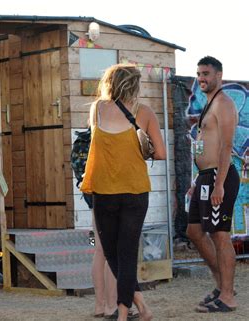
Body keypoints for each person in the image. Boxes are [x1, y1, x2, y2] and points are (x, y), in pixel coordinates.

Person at [80, 64, 166, 321]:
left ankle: (125, 311)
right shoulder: (145, 112)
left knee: (111, 253)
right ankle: (133, 308)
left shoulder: (96, 110)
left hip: (103, 192)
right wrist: (143, 147)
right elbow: (160, 153)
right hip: (136, 191)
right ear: (134, 85)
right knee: (127, 253)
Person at [186, 56, 239, 313]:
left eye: (206, 73)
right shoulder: (208, 106)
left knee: (220, 235)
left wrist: (219, 185)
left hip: (221, 176)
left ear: (219, 75)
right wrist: (198, 180)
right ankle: (222, 285)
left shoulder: (224, 104)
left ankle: (228, 297)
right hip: (205, 177)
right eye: (198, 74)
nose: (201, 78)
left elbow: (227, 146)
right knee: (194, 232)